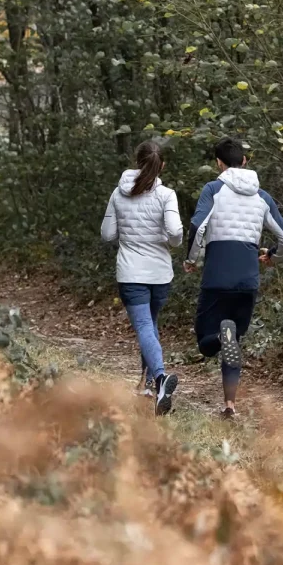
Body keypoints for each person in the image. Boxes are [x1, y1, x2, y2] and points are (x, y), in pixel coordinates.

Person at [184, 137, 283, 419]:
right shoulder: (262, 196)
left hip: (217, 276)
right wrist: (272, 256)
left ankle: (220, 339)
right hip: (247, 280)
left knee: (206, 340)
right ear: (244, 161)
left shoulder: (213, 189)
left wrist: (191, 259)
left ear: (219, 163)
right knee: (233, 336)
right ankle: (230, 406)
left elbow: (197, 226)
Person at [101, 140, 183, 416]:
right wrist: (163, 238)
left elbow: (108, 234)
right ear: (163, 166)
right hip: (160, 274)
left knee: (146, 327)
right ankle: (149, 384)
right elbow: (175, 234)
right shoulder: (167, 195)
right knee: (150, 326)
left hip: (131, 273)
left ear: (137, 161)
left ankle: (158, 380)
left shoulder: (118, 192)